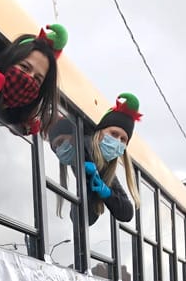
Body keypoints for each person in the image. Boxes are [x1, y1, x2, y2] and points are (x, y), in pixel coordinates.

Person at [50, 92, 143, 225]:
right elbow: (81, 219)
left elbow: (126, 212)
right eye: (114, 134)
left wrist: (104, 192)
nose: (117, 141)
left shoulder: (102, 165)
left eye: (123, 140)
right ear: (98, 133)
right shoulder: (85, 146)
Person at [0, 23, 68, 136]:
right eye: (25, 67)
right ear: (10, 60)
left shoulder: (19, 129)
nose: (29, 77)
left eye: (37, 79)